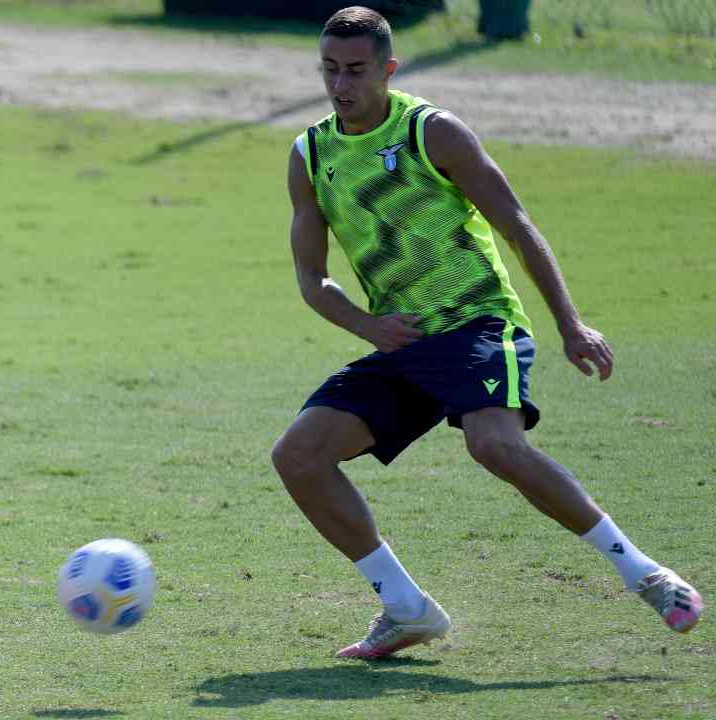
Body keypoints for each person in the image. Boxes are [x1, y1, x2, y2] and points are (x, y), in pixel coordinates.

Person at [275, 6, 702, 660]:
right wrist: (369, 326)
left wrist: (570, 324)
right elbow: (311, 278)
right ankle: (404, 608)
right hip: (402, 340)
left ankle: (643, 572)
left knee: (493, 445)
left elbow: (517, 225)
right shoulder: (311, 156)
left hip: (477, 321)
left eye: (356, 70)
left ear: (388, 69)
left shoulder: (434, 133)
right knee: (298, 456)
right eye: (330, 69)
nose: (341, 85)